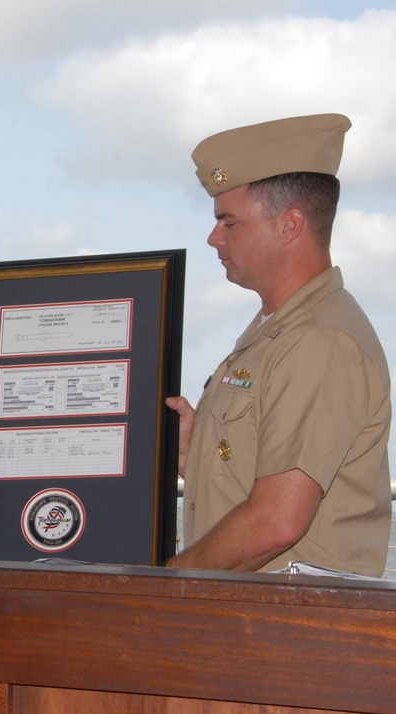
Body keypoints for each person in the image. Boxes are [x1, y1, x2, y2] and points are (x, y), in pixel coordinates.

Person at [165, 114, 391, 576]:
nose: (213, 237)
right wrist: (196, 454)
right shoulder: (275, 331)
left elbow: (276, 522)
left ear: (290, 225)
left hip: (287, 633)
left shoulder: (318, 339)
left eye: (229, 222)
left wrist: (163, 586)